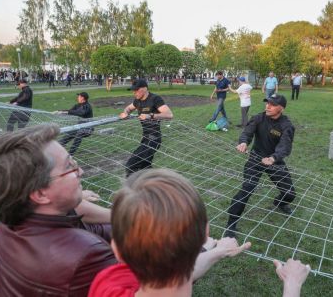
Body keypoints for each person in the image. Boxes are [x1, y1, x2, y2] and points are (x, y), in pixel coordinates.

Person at [0, 124, 116, 296]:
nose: (80, 171)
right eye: (69, 166)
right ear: (40, 194)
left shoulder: (10, 227)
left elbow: (86, 225)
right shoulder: (87, 255)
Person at [88, 168, 251, 297]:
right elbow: (179, 273)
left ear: (116, 249)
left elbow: (175, 274)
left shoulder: (107, 283)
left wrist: (216, 252)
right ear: (205, 232)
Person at [225, 94, 296, 238]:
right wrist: (244, 142)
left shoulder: (286, 125)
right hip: (256, 159)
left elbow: (285, 146)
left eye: (272, 104)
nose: (268, 106)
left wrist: (273, 158)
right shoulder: (259, 118)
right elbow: (247, 132)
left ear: (281, 108)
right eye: (267, 103)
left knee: (290, 194)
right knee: (247, 188)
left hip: (274, 161)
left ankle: (280, 203)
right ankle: (231, 224)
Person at [119, 79, 173, 177]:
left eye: (136, 90)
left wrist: (151, 115)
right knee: (145, 166)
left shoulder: (155, 99)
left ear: (144, 89)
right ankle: (154, 185)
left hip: (154, 139)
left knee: (131, 165)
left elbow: (169, 115)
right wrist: (125, 113)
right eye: (133, 90)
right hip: (145, 138)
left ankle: (132, 189)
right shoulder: (137, 101)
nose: (134, 92)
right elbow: (129, 108)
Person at [57, 92, 94, 156]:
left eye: (79, 96)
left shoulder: (87, 106)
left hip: (88, 129)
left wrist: (69, 112)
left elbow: (81, 113)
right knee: (68, 135)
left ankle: (70, 155)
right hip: (79, 127)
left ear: (82, 98)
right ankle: (57, 148)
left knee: (78, 135)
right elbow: (70, 111)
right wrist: (60, 111)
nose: (78, 98)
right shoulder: (78, 105)